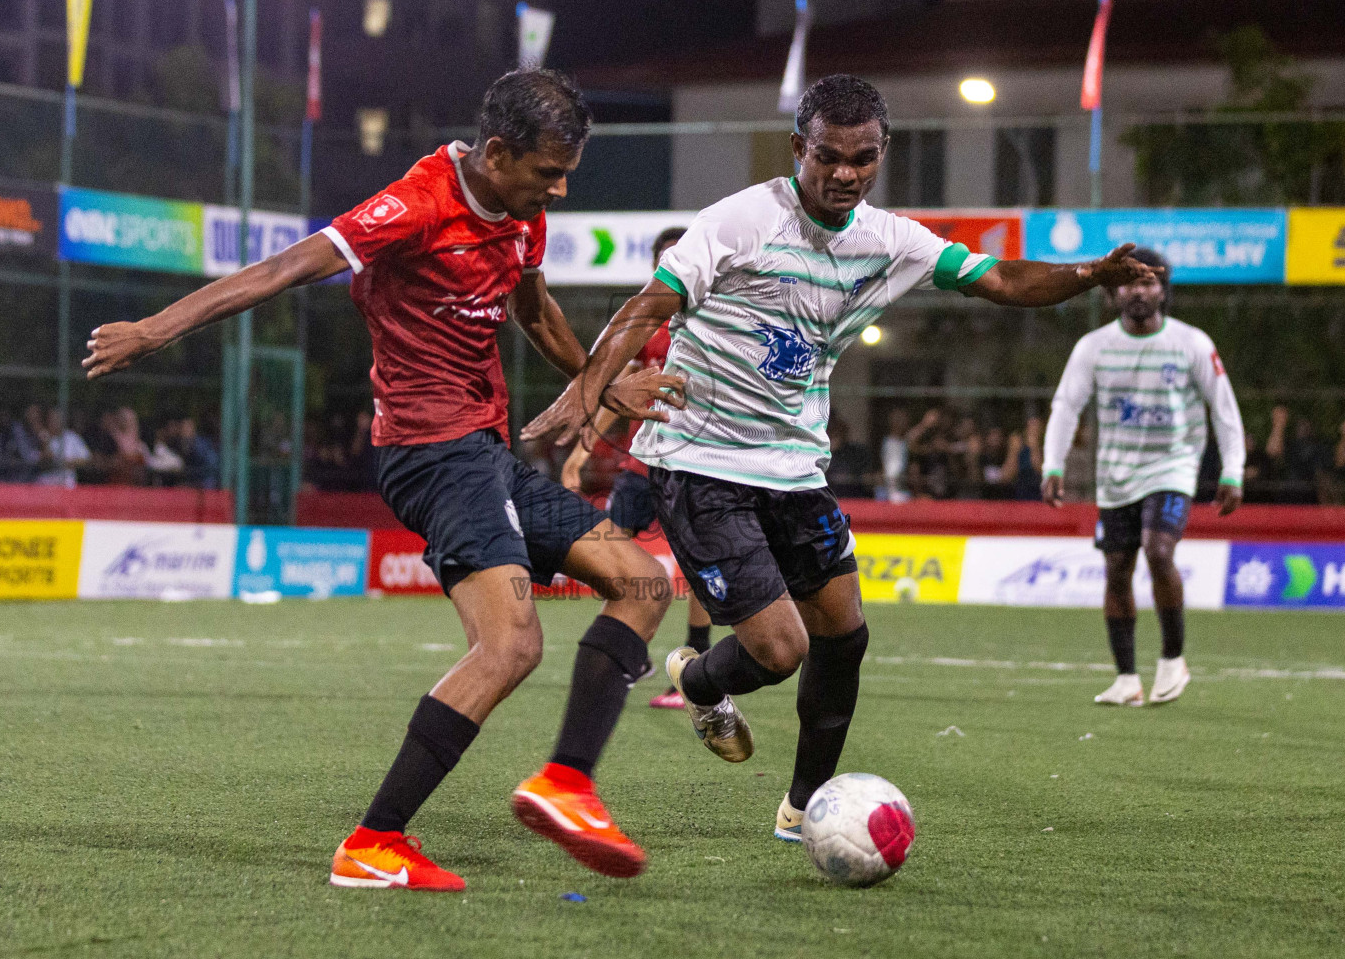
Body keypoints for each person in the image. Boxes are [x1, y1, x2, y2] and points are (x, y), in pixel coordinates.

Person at [82, 69, 684, 892]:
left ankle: (567, 781)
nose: (561, 187)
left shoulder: (521, 212)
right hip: (432, 452)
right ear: (498, 151)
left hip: (485, 452)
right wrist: (154, 330)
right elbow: (282, 270)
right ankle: (374, 842)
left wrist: (592, 384)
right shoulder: (417, 205)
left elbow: (534, 309)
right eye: (548, 170)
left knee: (643, 583)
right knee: (510, 645)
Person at [523, 74, 1158, 844]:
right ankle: (699, 679)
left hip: (796, 471)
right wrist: (591, 386)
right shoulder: (742, 220)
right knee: (781, 650)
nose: (844, 173)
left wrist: (1089, 274)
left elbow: (1000, 278)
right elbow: (647, 308)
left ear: (881, 154)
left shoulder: (892, 241)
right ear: (800, 148)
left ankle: (805, 809)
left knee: (845, 635)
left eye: (862, 157)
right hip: (703, 464)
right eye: (828, 155)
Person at [1042, 247, 1244, 708]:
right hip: (1115, 475)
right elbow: (1066, 407)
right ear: (1114, 293)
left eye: (1150, 282)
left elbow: (1224, 410)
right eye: (1131, 282)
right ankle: (1127, 678)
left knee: (1158, 549)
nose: (1140, 291)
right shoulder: (1093, 348)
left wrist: (1232, 470)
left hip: (1173, 466)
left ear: (1163, 292)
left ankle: (1173, 658)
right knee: (1116, 570)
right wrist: (1052, 464)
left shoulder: (1192, 344)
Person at [558, 226, 713, 710]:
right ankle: (632, 649)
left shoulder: (713, 322)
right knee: (605, 553)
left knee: (699, 566)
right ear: (654, 267)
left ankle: (695, 671)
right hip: (640, 462)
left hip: (695, 464)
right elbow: (617, 390)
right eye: (664, 259)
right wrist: (584, 447)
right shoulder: (645, 326)